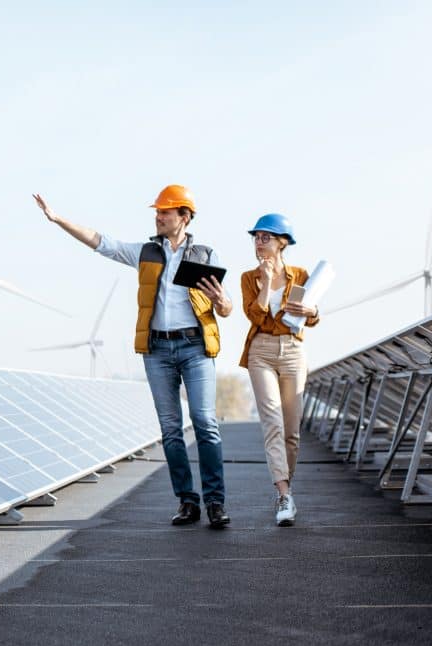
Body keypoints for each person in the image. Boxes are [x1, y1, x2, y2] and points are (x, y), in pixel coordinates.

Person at [34, 185, 234, 528]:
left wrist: (221, 303)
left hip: (195, 348)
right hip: (157, 350)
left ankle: (215, 502)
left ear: (184, 216)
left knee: (205, 422)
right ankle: (188, 502)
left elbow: (227, 307)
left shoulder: (205, 254)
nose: (158, 217)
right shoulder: (146, 253)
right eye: (157, 212)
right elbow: (102, 242)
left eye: (164, 212)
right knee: (171, 429)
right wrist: (57, 219)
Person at [239, 214, 320, 526]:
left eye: (266, 237)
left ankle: (287, 485)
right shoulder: (249, 277)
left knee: (291, 432)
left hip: (293, 352)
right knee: (271, 420)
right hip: (260, 350)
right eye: (256, 237)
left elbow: (310, 318)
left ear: (282, 242)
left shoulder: (300, 274)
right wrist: (268, 283)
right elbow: (256, 317)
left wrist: (312, 311)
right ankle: (283, 494)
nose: (259, 243)